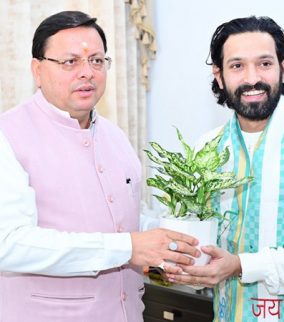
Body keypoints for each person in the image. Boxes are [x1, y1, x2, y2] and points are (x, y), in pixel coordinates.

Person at [0, 11, 200, 322]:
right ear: (37, 70)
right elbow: (9, 243)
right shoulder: (8, 135)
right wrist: (128, 248)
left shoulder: (114, 135)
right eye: (70, 62)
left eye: (96, 60)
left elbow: (126, 219)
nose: (87, 72)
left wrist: (166, 242)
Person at [166, 16, 284, 322]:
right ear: (219, 75)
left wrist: (241, 265)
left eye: (264, 63)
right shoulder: (207, 148)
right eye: (237, 66)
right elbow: (198, 238)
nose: (252, 78)